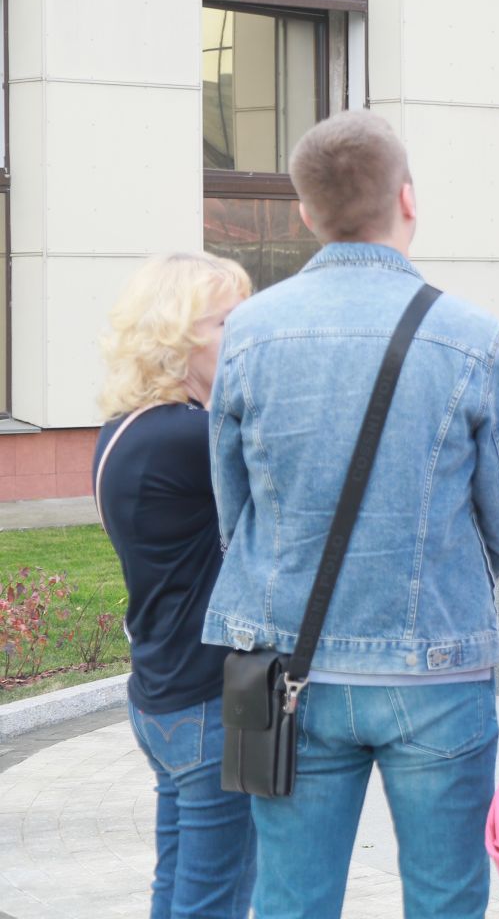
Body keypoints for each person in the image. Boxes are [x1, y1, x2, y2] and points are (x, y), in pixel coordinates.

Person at [202, 110, 499, 919]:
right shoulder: (473, 338)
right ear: (408, 200)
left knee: (290, 898)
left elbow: (233, 513)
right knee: (447, 899)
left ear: (307, 213)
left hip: (285, 670)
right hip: (436, 665)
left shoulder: (246, 332)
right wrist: (442, 578)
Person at [95, 252, 257, 919]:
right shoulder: (191, 438)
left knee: (178, 885)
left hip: (162, 694)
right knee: (215, 898)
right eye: (230, 322)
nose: (248, 336)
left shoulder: (128, 430)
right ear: (176, 335)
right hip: (209, 702)